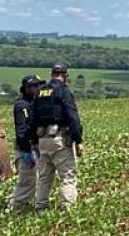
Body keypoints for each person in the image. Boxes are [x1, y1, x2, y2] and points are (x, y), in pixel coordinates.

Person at [29, 62, 83, 210]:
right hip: (60, 139)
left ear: (51, 74)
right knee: (68, 175)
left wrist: (33, 141)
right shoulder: (64, 91)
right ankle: (67, 208)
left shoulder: (40, 92)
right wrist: (78, 140)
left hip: (42, 140)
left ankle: (41, 207)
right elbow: (72, 116)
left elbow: (32, 119)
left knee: (45, 177)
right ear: (65, 76)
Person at [8, 74, 43, 210]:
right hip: (26, 149)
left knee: (36, 180)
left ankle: (25, 206)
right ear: (26, 88)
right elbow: (22, 131)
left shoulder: (34, 104)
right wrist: (27, 152)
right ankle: (15, 208)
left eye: (37, 85)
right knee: (27, 181)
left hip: (34, 148)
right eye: (33, 86)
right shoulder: (22, 106)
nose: (36, 88)